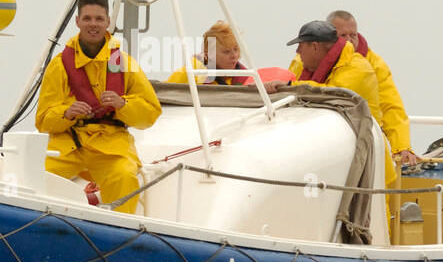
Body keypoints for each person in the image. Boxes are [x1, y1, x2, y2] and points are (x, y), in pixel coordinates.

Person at [37, 0, 162, 214]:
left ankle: (123, 234)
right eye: (87, 18)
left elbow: (150, 113)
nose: (93, 24)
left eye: (98, 19)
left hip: (112, 145)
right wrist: (66, 113)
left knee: (124, 175)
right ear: (77, 22)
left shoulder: (124, 63)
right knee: (34, 177)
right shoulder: (58, 66)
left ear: (108, 22)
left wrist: (123, 104)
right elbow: (43, 120)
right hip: (69, 145)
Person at [264, 20, 397, 187]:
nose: (297, 51)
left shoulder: (358, 68)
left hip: (366, 157)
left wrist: (290, 87)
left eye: (301, 46)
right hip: (332, 152)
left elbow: (334, 93)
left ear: (314, 46)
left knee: (371, 209)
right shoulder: (304, 66)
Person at [327, 10, 416, 166]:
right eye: (343, 36)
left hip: (364, 137)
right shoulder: (309, 59)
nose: (349, 41)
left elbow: (391, 106)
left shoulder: (373, 64)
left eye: (353, 35)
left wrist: (402, 146)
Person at [166, 20, 253, 85]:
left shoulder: (247, 77)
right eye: (226, 52)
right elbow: (163, 92)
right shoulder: (193, 71)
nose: (234, 56)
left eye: (236, 49)